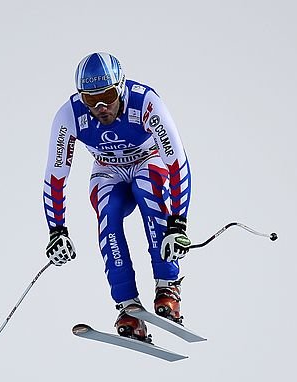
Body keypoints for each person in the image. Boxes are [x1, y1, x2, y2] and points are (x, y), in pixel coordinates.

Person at [42, 52, 192, 341]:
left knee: (148, 195)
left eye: (108, 95)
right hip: (108, 168)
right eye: (90, 99)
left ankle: (167, 287)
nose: (100, 107)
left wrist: (178, 223)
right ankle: (127, 307)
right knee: (107, 214)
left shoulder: (146, 103)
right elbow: (55, 176)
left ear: (120, 87)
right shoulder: (69, 116)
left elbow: (177, 164)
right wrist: (57, 230)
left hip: (148, 161)